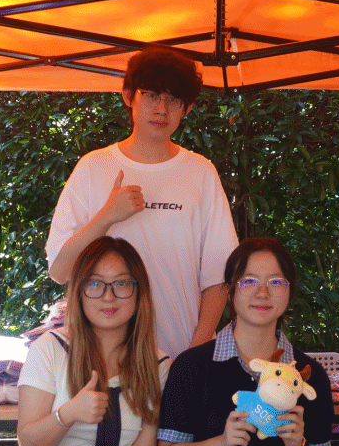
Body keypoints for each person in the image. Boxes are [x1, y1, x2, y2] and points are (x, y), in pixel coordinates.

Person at [46, 47, 238, 359]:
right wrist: (107, 216)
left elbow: (219, 276)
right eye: (150, 95)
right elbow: (59, 270)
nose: (161, 109)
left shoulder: (200, 172)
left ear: (187, 108)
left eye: (173, 99)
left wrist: (196, 352)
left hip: (181, 355)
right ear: (128, 96)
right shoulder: (93, 167)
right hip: (106, 361)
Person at [156, 237, 333, 446]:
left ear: (290, 291)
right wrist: (221, 444)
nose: (262, 293)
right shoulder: (190, 367)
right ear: (229, 291)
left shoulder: (309, 376)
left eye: (276, 282)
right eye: (249, 281)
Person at [17, 237, 170, 446]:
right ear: (79, 291)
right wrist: (67, 414)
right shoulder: (48, 349)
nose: (108, 297)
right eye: (95, 284)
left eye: (122, 283)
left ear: (139, 292)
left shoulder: (157, 365)